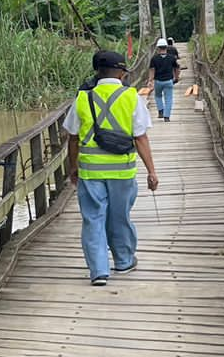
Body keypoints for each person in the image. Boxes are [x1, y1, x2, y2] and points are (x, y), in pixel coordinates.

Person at [64, 49, 160, 286]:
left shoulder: (82, 99)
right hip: (122, 171)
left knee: (93, 219)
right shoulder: (131, 98)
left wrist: (73, 167)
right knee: (120, 216)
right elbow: (140, 138)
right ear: (120, 72)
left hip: (90, 171)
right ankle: (124, 260)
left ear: (97, 72)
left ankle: (98, 271)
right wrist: (151, 171)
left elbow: (73, 137)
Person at [148, 37, 180, 122]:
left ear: (158, 48)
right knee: (168, 98)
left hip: (158, 81)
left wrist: (150, 80)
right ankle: (167, 116)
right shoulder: (171, 58)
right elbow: (177, 68)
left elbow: (152, 70)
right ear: (166, 47)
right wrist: (176, 78)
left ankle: (161, 110)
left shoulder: (154, 58)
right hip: (169, 81)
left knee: (158, 96)